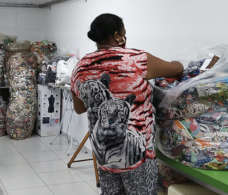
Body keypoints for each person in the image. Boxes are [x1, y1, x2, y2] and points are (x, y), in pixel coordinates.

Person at [71, 13, 183, 195]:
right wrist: (178, 62)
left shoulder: (81, 66)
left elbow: (79, 108)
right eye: (124, 33)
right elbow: (176, 69)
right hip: (138, 155)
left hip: (104, 155)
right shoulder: (137, 59)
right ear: (117, 35)